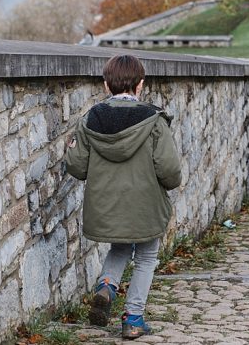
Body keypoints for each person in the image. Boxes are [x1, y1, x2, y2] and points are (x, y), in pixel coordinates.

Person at [65, 54, 182, 338]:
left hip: (108, 204)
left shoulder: (90, 120)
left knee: (119, 248)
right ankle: (133, 319)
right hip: (145, 203)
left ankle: (106, 285)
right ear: (140, 85)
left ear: (106, 85)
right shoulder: (154, 120)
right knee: (145, 257)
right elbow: (169, 169)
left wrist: (70, 150)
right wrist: (171, 183)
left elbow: (78, 167)